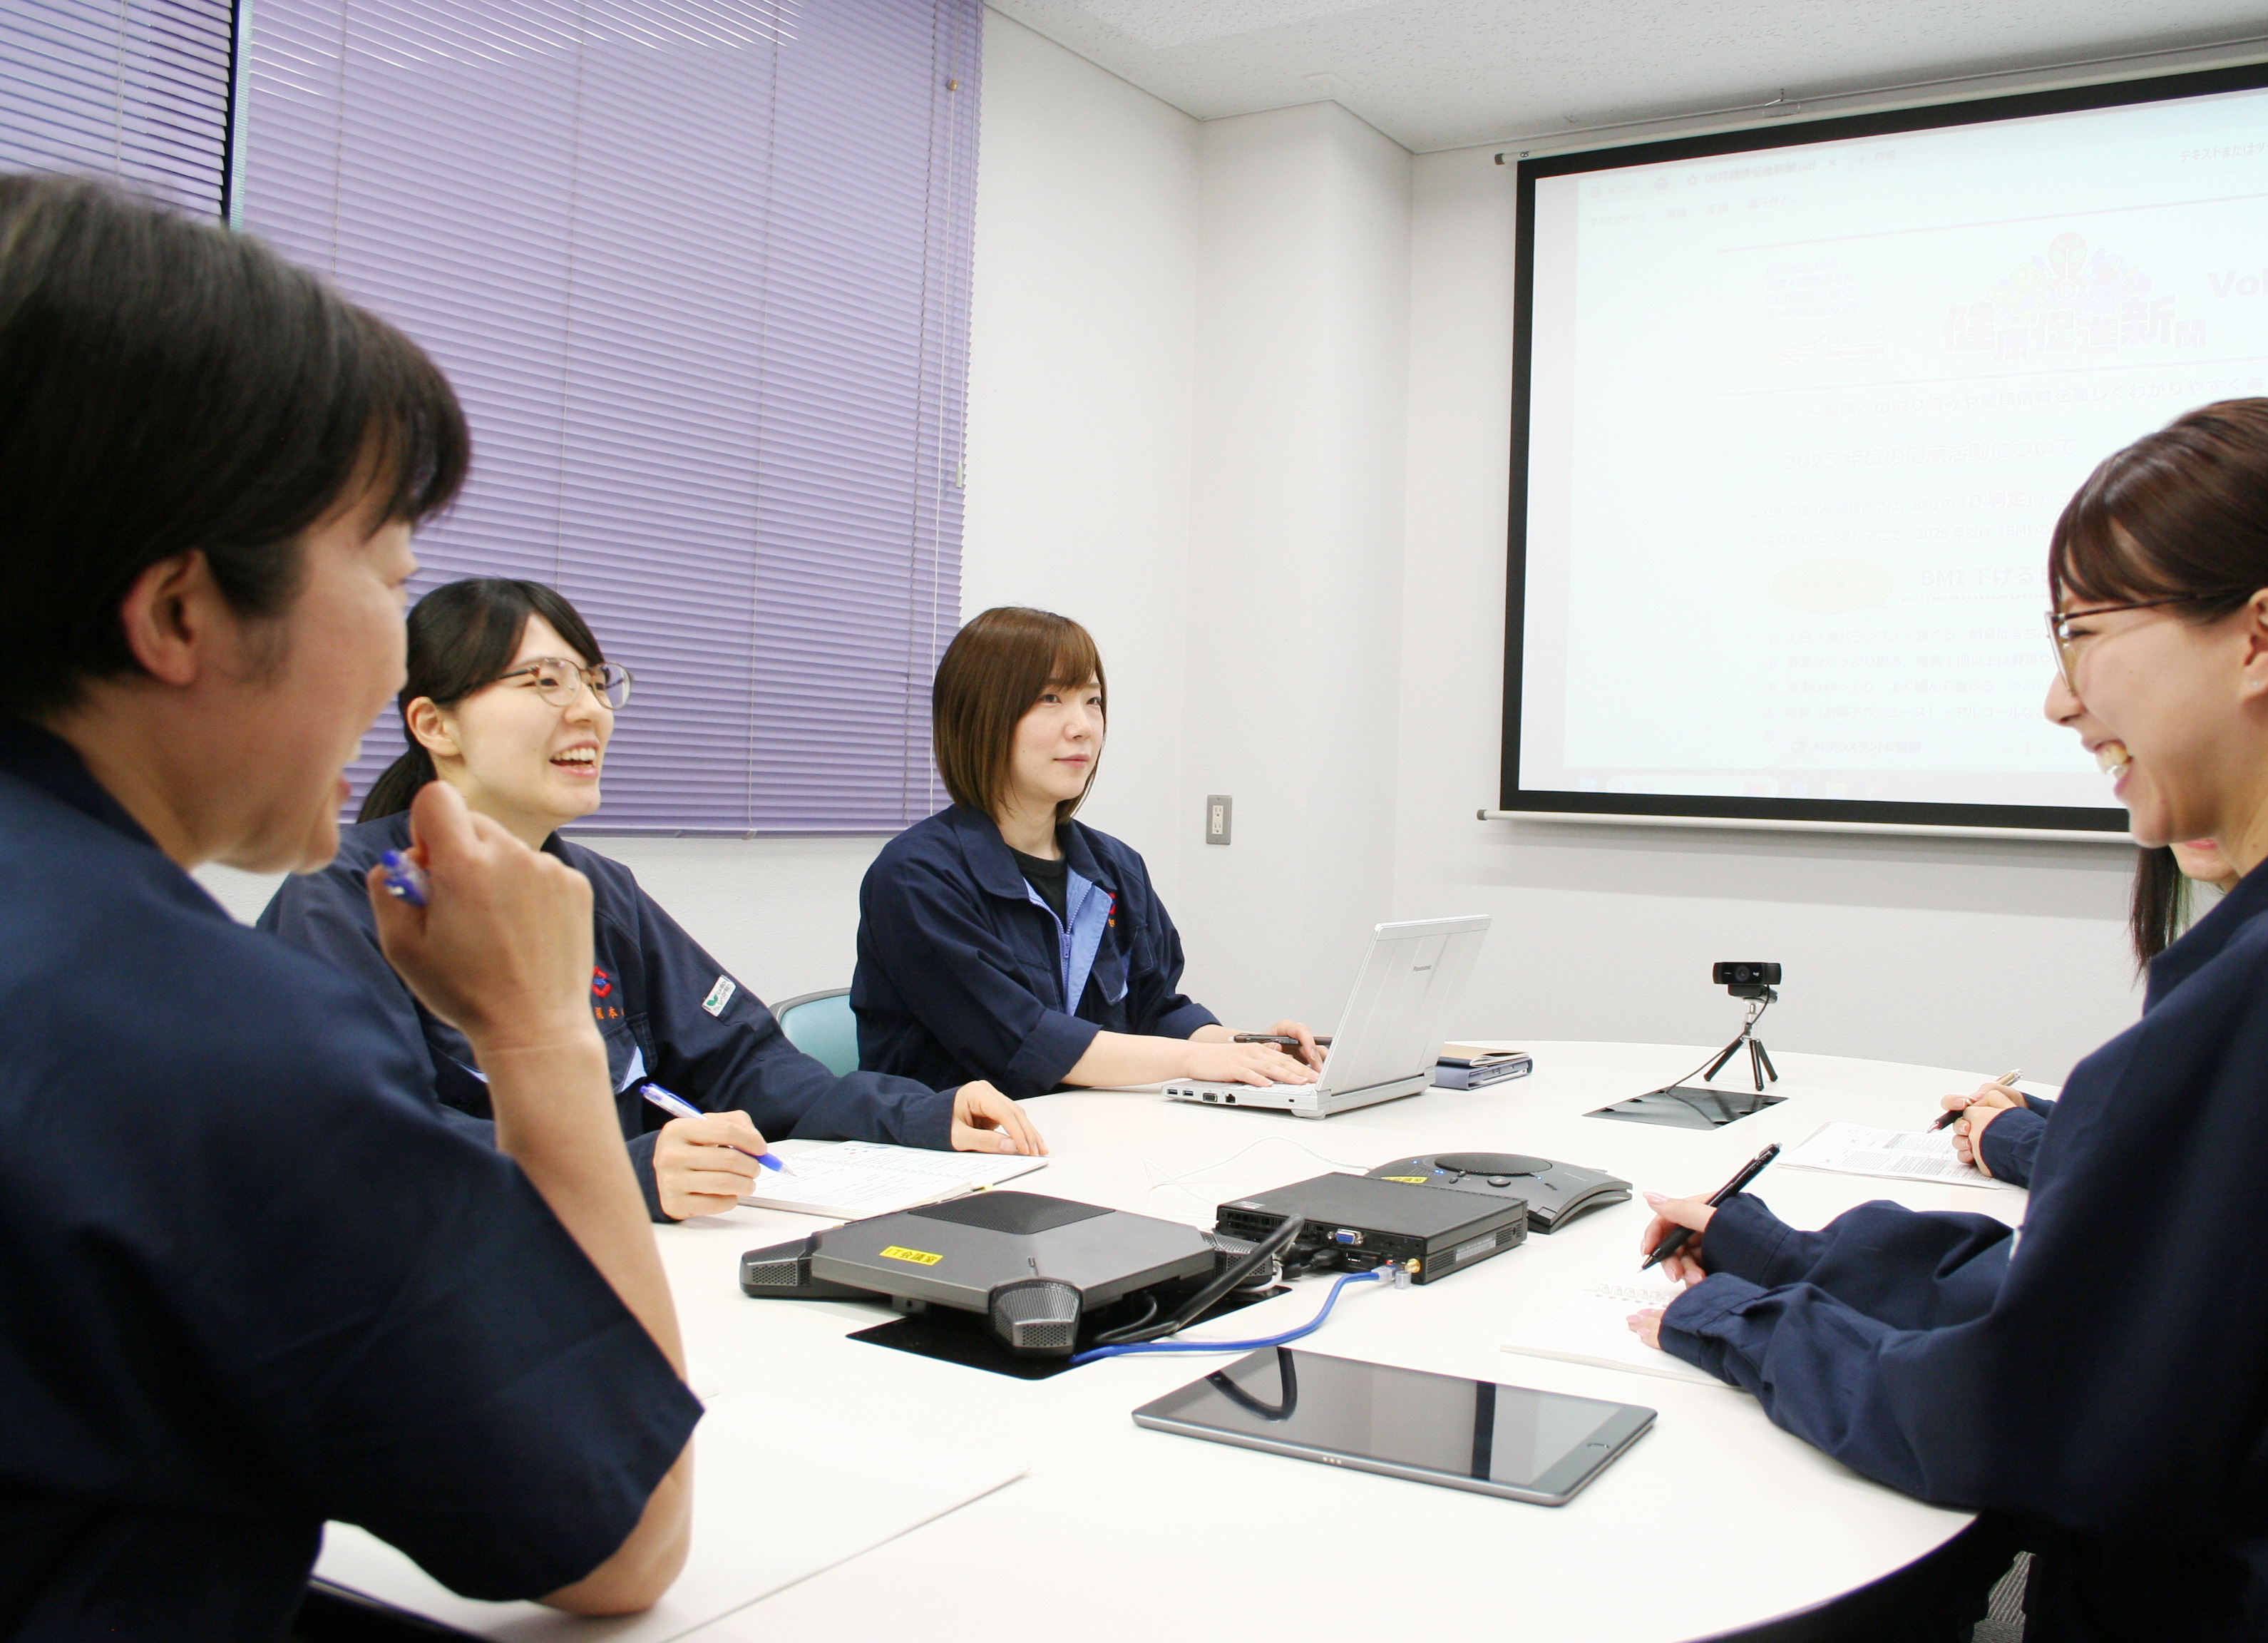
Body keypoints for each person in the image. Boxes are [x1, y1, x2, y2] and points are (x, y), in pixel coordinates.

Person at [1629, 399, 2268, 1639]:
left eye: (2083, 635)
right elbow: (2147, 1307)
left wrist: (1735, 1321)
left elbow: (2038, 1414)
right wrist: (1796, 1257)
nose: (2059, 703)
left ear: (2262, 638)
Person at [0, 176, 696, 1635]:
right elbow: (622, 1536)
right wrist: (540, 1034)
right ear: (181, 612)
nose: (393, 662)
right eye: (388, 578)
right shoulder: (208, 1036)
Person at [259, 579, 1045, 1222]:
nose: (589, 710)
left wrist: (919, 1115)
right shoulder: (343, 899)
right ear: (435, 725)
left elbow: (746, 1063)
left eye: (596, 682)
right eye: (545, 682)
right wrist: (626, 1172)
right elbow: (375, 1145)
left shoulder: (599, 891)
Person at [853, 607, 1323, 1098]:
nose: (1083, 727)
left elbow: (1155, 1011)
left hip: (1092, 1129)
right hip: (968, 1139)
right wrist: (1196, 1059)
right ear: (980, 715)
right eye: (1050, 698)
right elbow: (1024, 1040)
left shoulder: (1115, 866)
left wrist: (1252, 1049)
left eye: (1093, 701)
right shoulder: (916, 876)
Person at [1940, 839, 2239, 1184]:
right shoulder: (2231, 939)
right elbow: (2184, 1135)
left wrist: (2021, 1142)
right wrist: (2043, 1119)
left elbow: (2175, 1180)